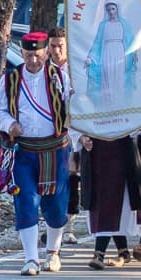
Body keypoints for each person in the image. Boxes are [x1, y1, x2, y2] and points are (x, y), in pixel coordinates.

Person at [0, 32, 73, 276]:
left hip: (55, 150)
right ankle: (31, 258)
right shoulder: (11, 78)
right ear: (22, 54)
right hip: (24, 152)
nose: (33, 60)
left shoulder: (60, 76)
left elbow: (74, 108)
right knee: (25, 200)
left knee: (57, 205)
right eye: (28, 55)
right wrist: (9, 125)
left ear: (46, 53)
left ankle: (53, 252)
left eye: (37, 55)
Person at [79, 133, 141, 270]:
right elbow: (78, 119)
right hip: (97, 151)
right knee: (102, 200)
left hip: (122, 149)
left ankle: (103, 253)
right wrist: (81, 138)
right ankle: (116, 251)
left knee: (119, 201)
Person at [46, 27, 79, 245]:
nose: (57, 51)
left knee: (72, 179)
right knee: (51, 181)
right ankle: (51, 225)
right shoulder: (43, 71)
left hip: (73, 132)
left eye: (61, 46)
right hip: (50, 135)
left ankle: (69, 227)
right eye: (53, 46)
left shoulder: (76, 70)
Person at [85, 1, 137, 105]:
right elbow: (97, 42)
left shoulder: (124, 24)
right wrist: (90, 57)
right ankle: (108, 103)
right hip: (107, 53)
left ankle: (119, 103)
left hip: (120, 52)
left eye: (113, 9)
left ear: (117, 9)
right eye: (109, 10)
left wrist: (134, 52)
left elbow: (130, 39)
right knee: (107, 77)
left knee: (119, 78)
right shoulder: (103, 25)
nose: (111, 12)